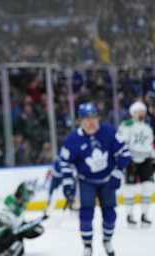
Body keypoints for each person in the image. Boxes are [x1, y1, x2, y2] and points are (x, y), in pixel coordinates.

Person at [59, 102, 132, 256]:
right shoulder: (72, 140)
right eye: (86, 119)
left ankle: (107, 240)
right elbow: (65, 163)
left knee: (110, 214)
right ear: (80, 121)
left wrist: (118, 172)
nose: (91, 122)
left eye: (93, 118)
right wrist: (68, 184)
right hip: (86, 181)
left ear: (98, 118)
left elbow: (125, 154)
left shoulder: (109, 132)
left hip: (107, 180)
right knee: (85, 214)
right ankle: (87, 246)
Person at [116, 101, 154, 227]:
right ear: (133, 113)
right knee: (129, 189)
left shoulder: (147, 127)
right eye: (138, 111)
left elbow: (150, 144)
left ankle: (144, 215)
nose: (141, 113)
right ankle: (130, 215)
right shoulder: (127, 125)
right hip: (131, 159)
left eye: (142, 111)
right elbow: (121, 141)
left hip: (146, 159)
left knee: (148, 187)